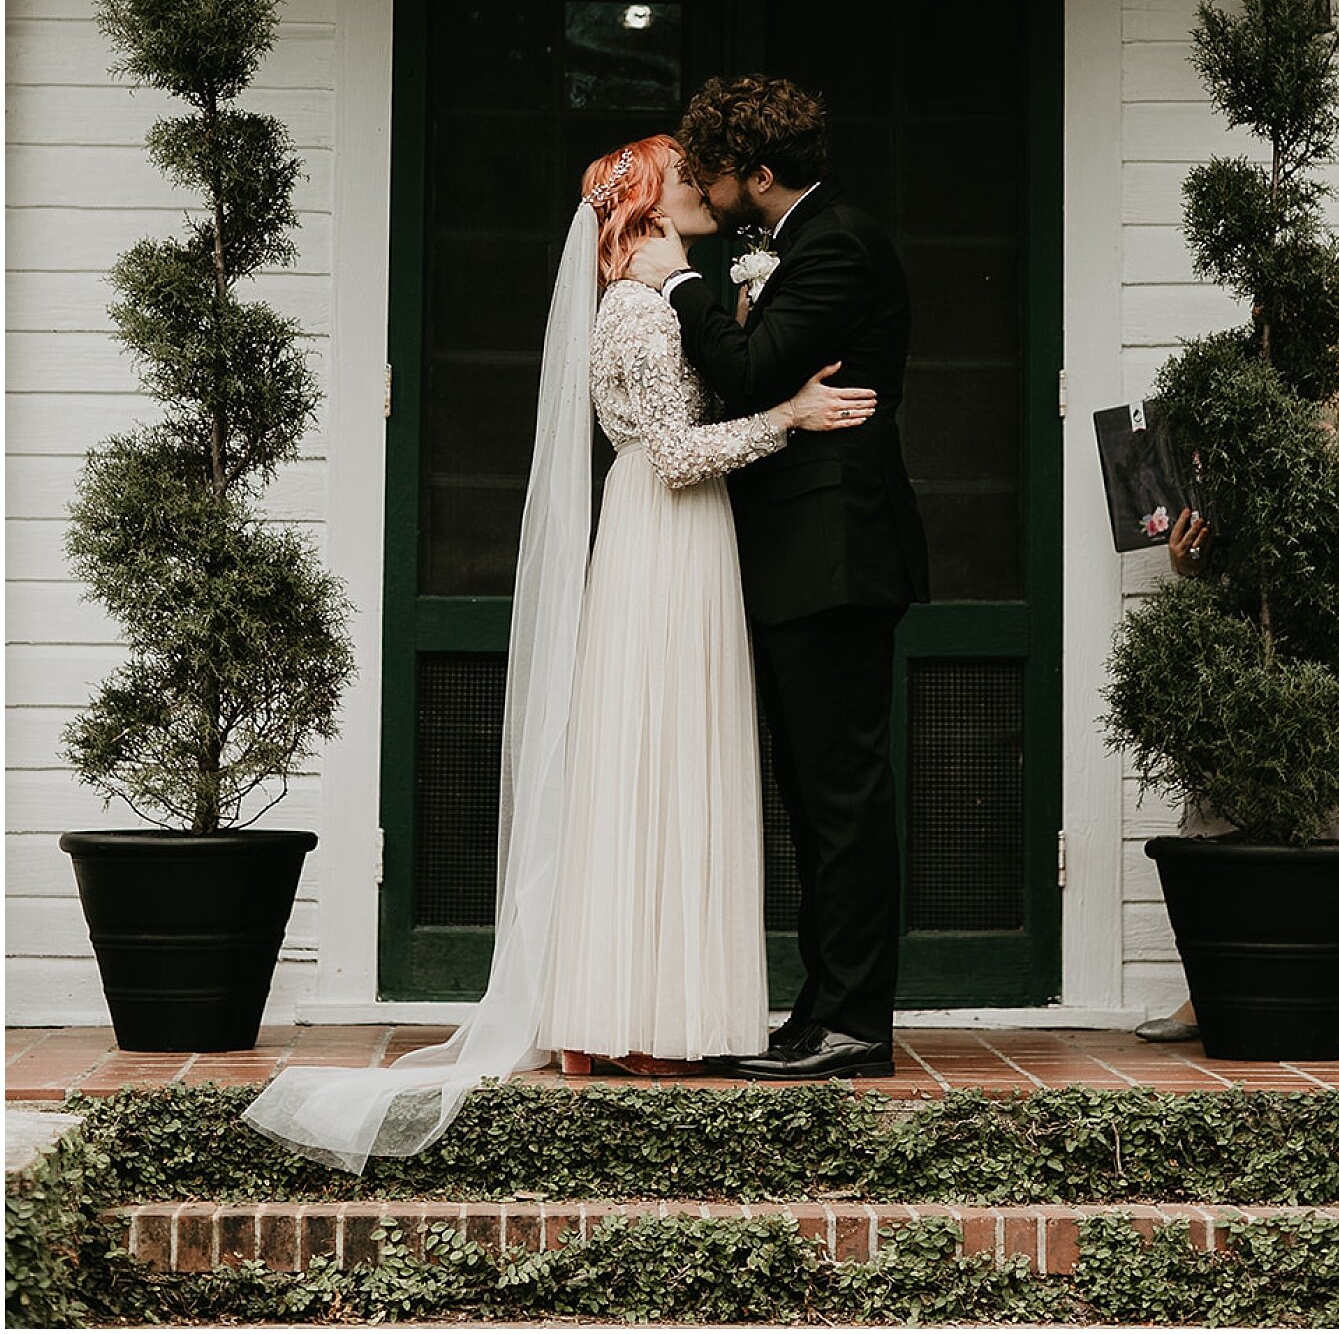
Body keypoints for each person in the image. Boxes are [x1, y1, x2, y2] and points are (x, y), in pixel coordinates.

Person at [242, 135, 873, 1170]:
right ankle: (621, 1015)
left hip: (684, 539)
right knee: (651, 763)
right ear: (649, 201)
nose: (703, 180)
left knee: (669, 760)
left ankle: (642, 1011)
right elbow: (673, 454)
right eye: (684, 172)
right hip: (667, 535)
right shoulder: (634, 306)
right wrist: (789, 416)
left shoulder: (657, 297)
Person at [626, 76, 929, 1082]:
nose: (706, 191)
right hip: (798, 553)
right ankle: (820, 1007)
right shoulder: (797, 242)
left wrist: (677, 286)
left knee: (840, 791)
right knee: (811, 790)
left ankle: (854, 1022)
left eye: (714, 170)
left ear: (758, 172)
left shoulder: (835, 243)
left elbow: (755, 370)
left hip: (836, 552)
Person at [1135, 363, 1339, 1048]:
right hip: (1262, 627)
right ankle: (1213, 986)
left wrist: (1332, 454)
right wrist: (1191, 561)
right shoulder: (1228, 403)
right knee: (1225, 803)